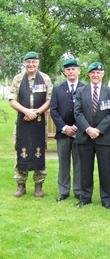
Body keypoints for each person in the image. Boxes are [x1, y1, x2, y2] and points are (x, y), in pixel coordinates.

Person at [74, 62, 110, 209]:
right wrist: (88, 129)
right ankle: (85, 197)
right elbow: (77, 112)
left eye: (98, 72)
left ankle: (107, 200)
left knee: (105, 170)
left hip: (103, 137)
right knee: (85, 170)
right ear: (88, 74)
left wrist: (98, 130)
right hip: (85, 137)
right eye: (92, 72)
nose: (95, 75)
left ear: (103, 74)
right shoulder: (81, 91)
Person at [9, 51, 53, 198]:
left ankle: (38, 186)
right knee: (20, 150)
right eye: (28, 62)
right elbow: (12, 99)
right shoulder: (18, 78)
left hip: (39, 123)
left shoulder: (45, 78)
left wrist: (36, 113)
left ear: (38, 63)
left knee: (39, 151)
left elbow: (49, 100)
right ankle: (21, 185)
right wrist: (26, 111)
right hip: (22, 121)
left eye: (33, 62)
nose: (31, 65)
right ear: (24, 63)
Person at [50, 58, 85, 201]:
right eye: (68, 69)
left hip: (80, 132)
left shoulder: (85, 88)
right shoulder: (58, 89)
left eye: (73, 69)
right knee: (63, 163)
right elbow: (53, 110)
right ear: (64, 72)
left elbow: (86, 110)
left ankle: (78, 190)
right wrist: (64, 127)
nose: (71, 71)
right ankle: (63, 191)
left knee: (79, 163)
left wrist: (76, 127)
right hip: (63, 133)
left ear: (79, 71)